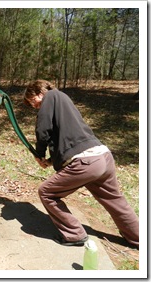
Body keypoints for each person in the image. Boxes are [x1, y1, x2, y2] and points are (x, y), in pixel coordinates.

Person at [23, 79, 139, 248]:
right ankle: (139, 238)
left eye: (33, 102)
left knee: (46, 192)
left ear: (39, 93)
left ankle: (74, 234)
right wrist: (49, 160)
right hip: (102, 156)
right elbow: (68, 139)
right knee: (115, 200)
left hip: (86, 162)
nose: (35, 107)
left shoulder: (50, 96)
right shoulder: (63, 100)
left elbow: (43, 129)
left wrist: (39, 153)